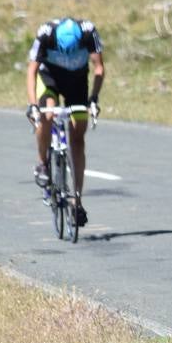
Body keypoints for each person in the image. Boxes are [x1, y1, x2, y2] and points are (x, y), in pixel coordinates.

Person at [27, 17, 104, 226]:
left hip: (77, 82)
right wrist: (34, 105)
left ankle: (77, 201)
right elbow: (32, 70)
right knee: (48, 114)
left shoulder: (88, 32)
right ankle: (43, 163)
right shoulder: (46, 33)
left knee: (78, 139)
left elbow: (99, 68)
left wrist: (94, 98)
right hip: (49, 77)